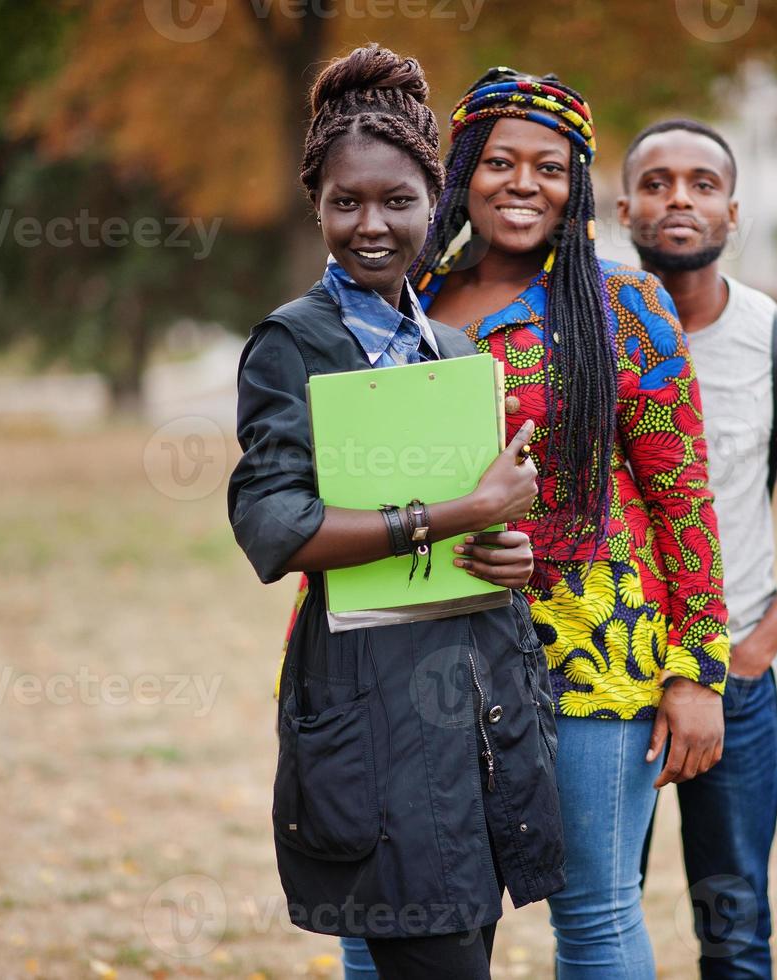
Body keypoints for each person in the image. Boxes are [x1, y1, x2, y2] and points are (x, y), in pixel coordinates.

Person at [344, 67, 732, 979]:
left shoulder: (624, 307)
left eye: (551, 168)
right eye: (501, 162)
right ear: (461, 172)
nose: (525, 184)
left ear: (577, 186)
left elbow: (684, 500)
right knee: (392, 903)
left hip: (590, 643)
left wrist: (697, 671)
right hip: (418, 639)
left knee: (592, 912)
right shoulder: (400, 303)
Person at [227, 45, 565, 979]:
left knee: (465, 945)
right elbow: (274, 528)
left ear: (433, 201)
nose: (370, 225)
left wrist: (505, 552)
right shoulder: (293, 345)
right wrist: (455, 513)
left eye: (396, 201)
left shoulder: (453, 348)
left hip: (472, 698)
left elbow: (483, 523)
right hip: (370, 700)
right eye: (346, 202)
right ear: (318, 206)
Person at [617, 118, 777, 977]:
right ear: (623, 208)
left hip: (732, 674)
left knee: (734, 926)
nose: (677, 198)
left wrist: (754, 653)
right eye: (655, 183)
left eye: (700, 183)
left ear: (731, 211)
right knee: (602, 912)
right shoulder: (587, 329)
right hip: (606, 671)